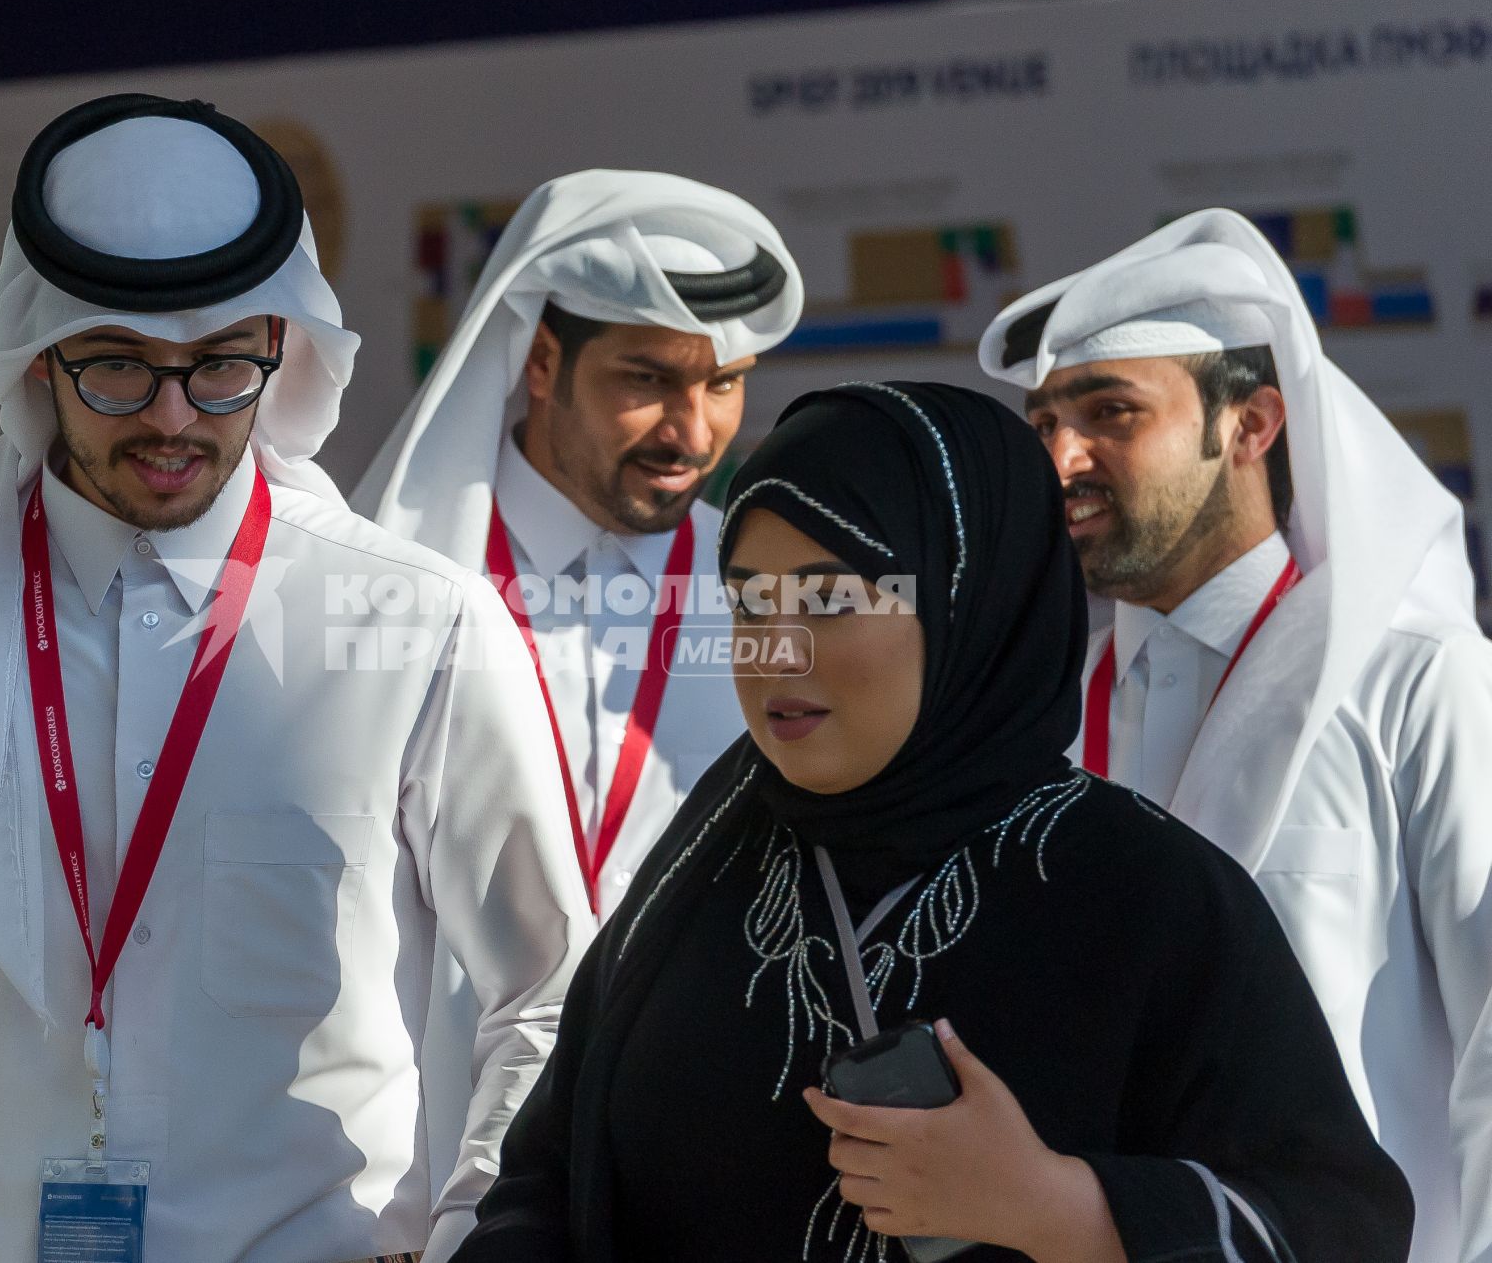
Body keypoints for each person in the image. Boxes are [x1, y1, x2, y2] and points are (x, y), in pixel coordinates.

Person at [0, 94, 592, 1263]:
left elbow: (550, 991)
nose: (170, 417)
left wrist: (482, 1232)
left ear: (281, 351)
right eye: (118, 369)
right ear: (41, 358)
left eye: (216, 369)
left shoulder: (416, 625)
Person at [452, 382, 1413, 1263]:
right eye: (748, 601)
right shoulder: (706, 863)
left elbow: (1340, 1222)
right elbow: (545, 1180)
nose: (776, 652)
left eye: (831, 597)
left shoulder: (1147, 897)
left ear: (967, 597)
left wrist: (1059, 1205)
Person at [979, 208, 1492, 1263]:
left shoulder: (1415, 677)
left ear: (1252, 424)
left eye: (1109, 410)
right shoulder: (1043, 717)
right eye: (1042, 424)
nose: (1062, 457)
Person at [353, 169, 803, 918]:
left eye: (723, 383)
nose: (693, 434)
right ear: (541, 361)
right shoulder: (399, 578)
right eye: (647, 378)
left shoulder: (769, 597)